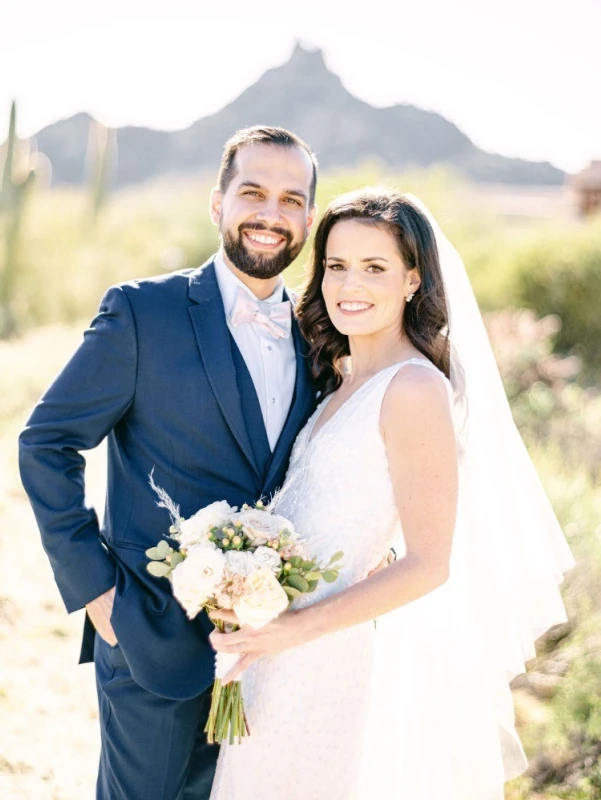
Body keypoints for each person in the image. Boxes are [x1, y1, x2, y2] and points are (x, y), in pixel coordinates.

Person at [208, 189, 576, 800]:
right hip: (272, 650)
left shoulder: (412, 389)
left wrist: (290, 632)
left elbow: (429, 565)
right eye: (336, 265)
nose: (349, 284)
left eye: (374, 267)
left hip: (317, 657)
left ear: (412, 279)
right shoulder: (345, 380)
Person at [18, 126, 321, 799]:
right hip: (150, 636)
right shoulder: (142, 312)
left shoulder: (320, 334)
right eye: (252, 192)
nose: (271, 214)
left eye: (290, 199)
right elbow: (46, 443)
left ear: (307, 218)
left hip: (276, 655)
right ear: (217, 203)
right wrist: (97, 592)